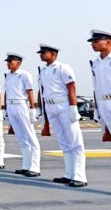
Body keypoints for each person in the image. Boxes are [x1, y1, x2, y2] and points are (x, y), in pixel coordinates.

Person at [37, 44, 87, 187]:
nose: (41, 54)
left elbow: (71, 87)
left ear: (53, 54)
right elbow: (42, 90)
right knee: (63, 142)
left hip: (63, 105)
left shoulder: (63, 68)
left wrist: (73, 107)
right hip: (50, 107)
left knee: (75, 142)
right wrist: (41, 109)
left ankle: (80, 176)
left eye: (43, 52)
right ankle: (69, 174)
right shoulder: (43, 71)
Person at [4, 53, 41, 177]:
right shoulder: (8, 76)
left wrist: (32, 108)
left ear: (18, 63)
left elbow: (30, 92)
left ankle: (35, 167)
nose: (8, 63)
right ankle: (26, 166)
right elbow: (6, 92)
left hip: (21, 105)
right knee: (21, 137)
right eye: (8, 61)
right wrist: (5, 108)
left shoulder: (25, 75)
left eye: (11, 61)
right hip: (11, 105)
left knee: (30, 137)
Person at [89, 30, 111, 141]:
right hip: (103, 103)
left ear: (108, 42)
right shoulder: (96, 63)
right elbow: (96, 87)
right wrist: (97, 110)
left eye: (96, 41)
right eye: (92, 42)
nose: (92, 44)